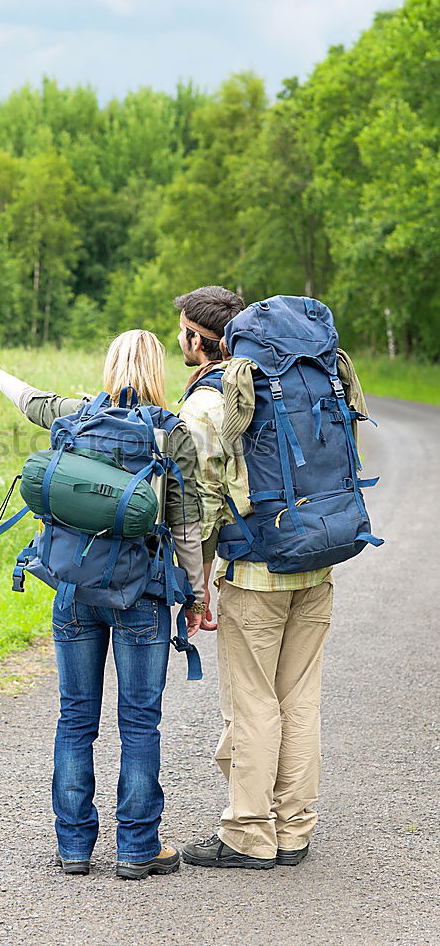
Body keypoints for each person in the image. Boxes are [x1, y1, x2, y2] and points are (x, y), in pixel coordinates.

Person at [0, 330, 207, 879]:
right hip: (141, 596)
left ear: (110, 367)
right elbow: (187, 529)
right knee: (140, 723)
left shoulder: (77, 417)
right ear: (157, 370)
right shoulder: (170, 435)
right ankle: (136, 849)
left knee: (76, 719)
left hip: (74, 591)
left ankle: (74, 847)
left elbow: (31, 401)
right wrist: (194, 596)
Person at [174, 286, 369, 870]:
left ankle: (249, 834)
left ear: (196, 338)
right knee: (300, 699)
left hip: (255, 571)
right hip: (316, 559)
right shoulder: (308, 375)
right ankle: (294, 830)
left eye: (180, 329)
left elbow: (201, 497)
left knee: (253, 701)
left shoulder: (214, 398)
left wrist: (198, 579)